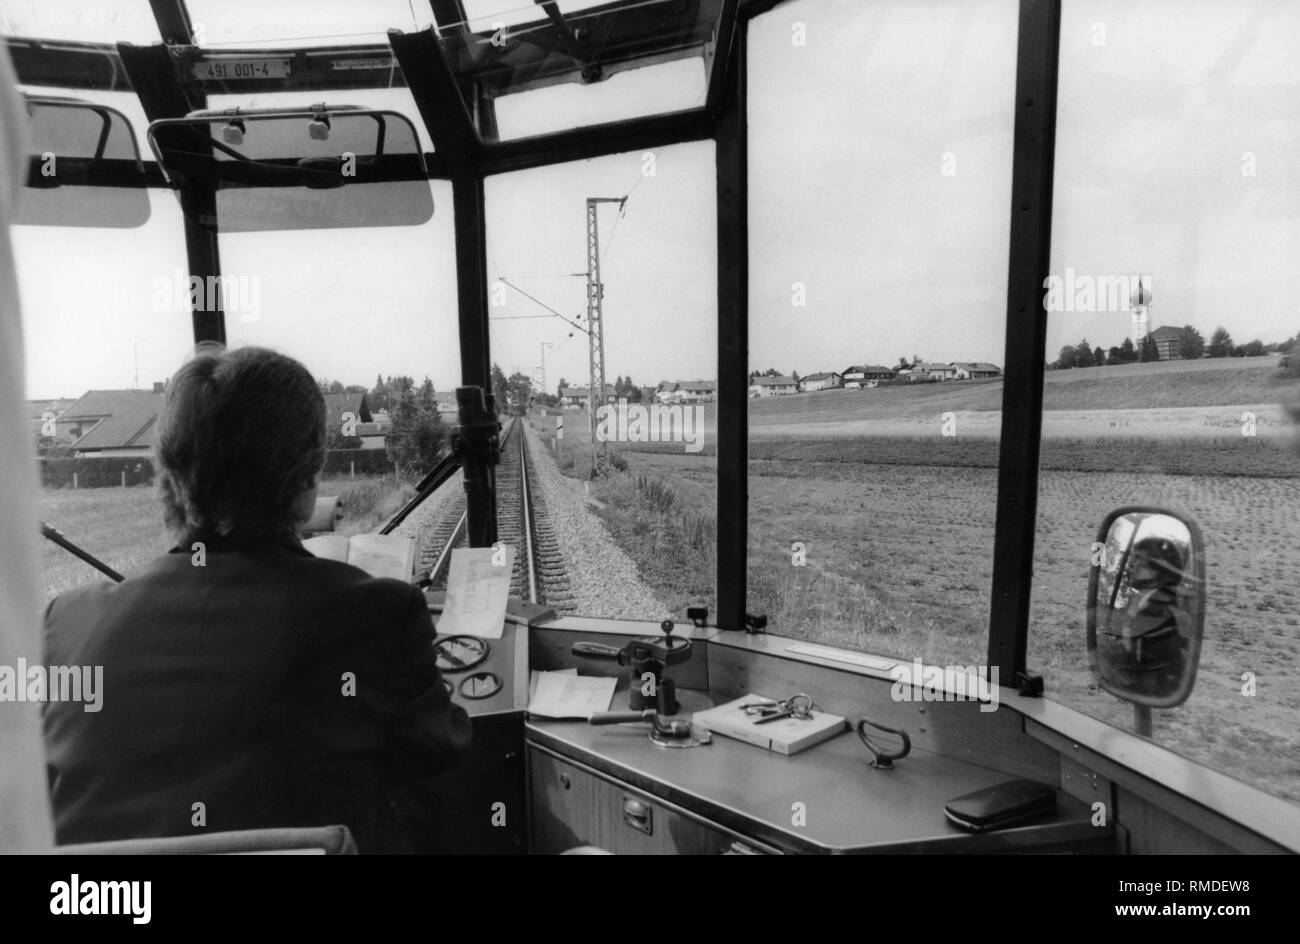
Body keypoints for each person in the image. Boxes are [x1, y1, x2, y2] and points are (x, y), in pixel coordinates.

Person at [43, 344, 471, 853]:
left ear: (168, 475)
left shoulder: (65, 625)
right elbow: (439, 748)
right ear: (307, 481)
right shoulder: (380, 614)